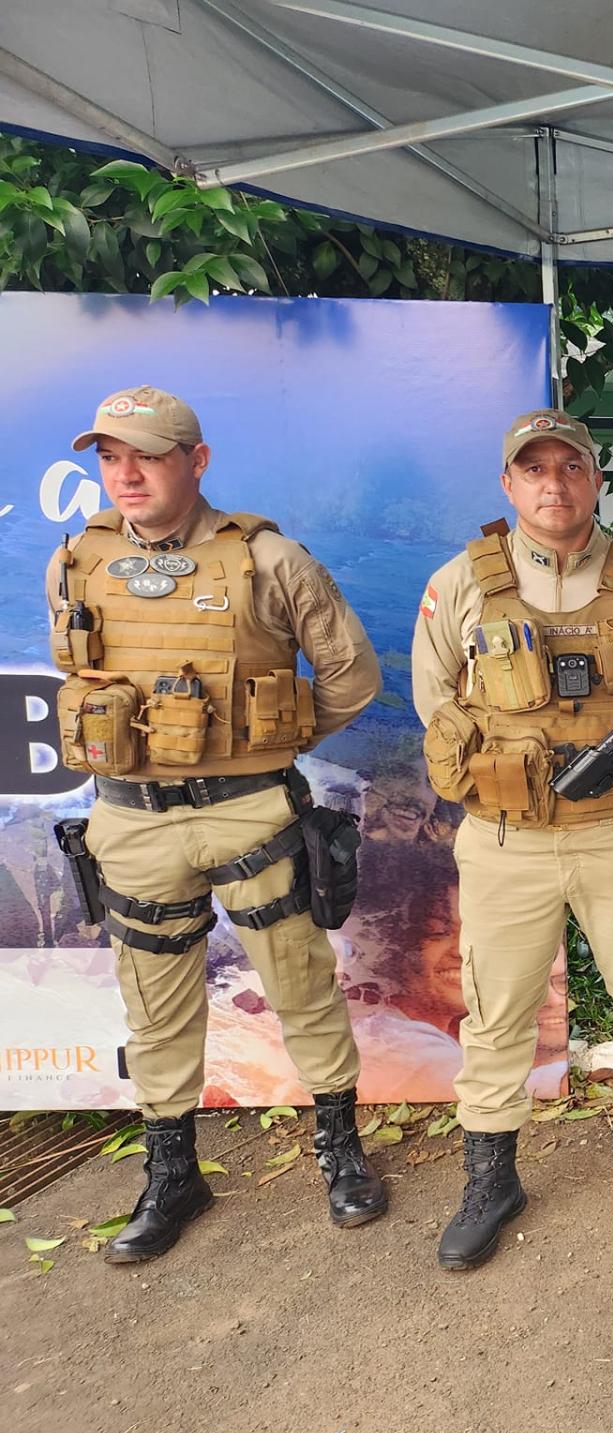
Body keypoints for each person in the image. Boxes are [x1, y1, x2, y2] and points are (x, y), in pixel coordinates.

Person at [47, 385, 386, 1261]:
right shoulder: (76, 562)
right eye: (110, 457)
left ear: (196, 462)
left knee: (300, 984)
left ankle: (341, 1151)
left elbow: (352, 674)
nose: (126, 474)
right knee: (154, 1008)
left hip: (248, 813)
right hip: (133, 820)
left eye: (148, 455)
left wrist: (270, 741)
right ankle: (172, 1175)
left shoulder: (269, 561)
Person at [412, 408, 613, 1269]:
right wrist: (513, 764)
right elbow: (438, 701)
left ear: (593, 479)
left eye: (569, 467)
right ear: (509, 485)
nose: (553, 483)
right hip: (507, 840)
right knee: (497, 1013)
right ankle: (491, 1179)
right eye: (534, 469)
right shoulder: (463, 583)